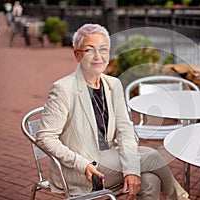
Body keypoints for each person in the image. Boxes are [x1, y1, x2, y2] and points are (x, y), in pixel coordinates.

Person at [36, 23, 189, 200]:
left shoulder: (113, 84)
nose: (97, 56)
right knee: (153, 156)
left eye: (103, 50)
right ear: (77, 55)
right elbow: (45, 137)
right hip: (82, 171)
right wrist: (81, 164)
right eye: (90, 50)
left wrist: (131, 170)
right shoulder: (63, 88)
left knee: (150, 180)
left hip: (110, 158)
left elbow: (125, 129)